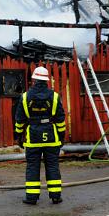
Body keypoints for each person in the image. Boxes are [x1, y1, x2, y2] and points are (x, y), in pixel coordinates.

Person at [14, 66, 66, 205]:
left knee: (33, 166)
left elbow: (20, 120)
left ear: (34, 79)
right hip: (51, 136)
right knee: (53, 166)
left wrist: (18, 136)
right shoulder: (54, 96)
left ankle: (31, 198)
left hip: (33, 138)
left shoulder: (25, 97)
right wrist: (61, 137)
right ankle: (55, 196)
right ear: (46, 80)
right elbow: (60, 119)